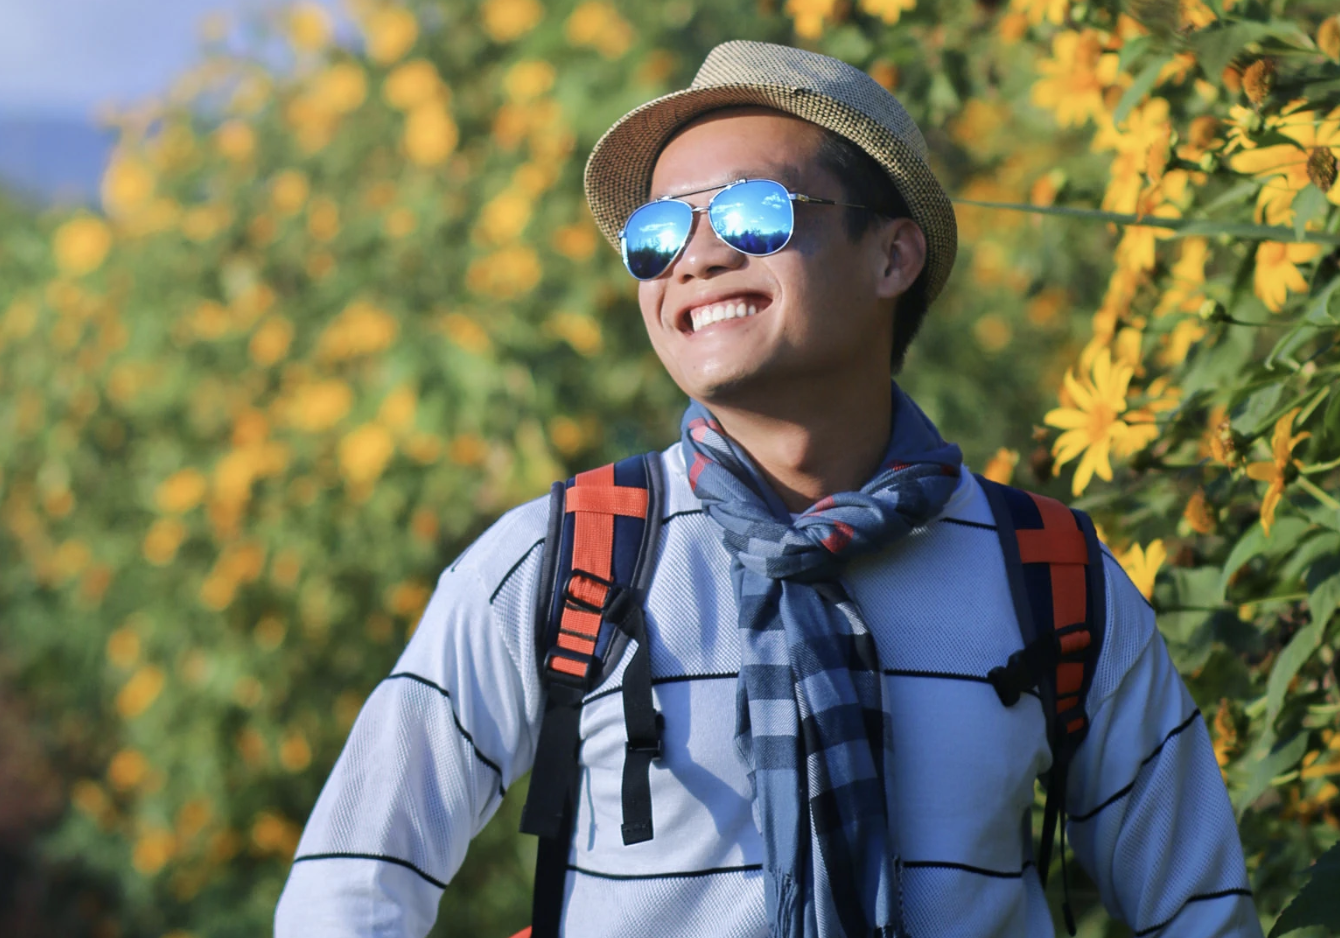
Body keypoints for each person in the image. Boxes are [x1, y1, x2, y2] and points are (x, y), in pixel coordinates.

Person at [274, 40, 1262, 938]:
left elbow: (1201, 912)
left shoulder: (1048, 573)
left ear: (892, 253)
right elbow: (350, 889)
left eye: (753, 214)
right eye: (656, 236)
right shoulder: (566, 558)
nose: (695, 258)